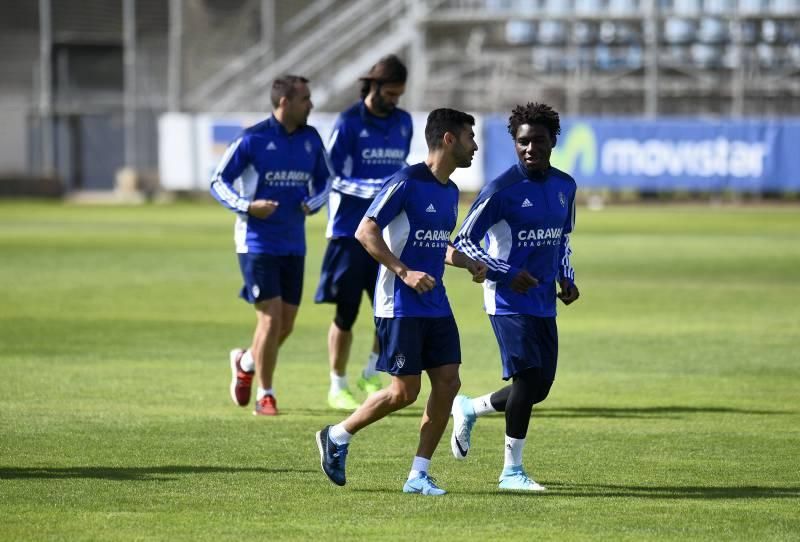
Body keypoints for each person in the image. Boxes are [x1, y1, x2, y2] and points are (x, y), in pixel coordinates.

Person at [315, 108, 487, 495]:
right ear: (448, 139)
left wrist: (465, 261)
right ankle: (337, 435)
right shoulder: (406, 181)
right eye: (469, 138)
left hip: (435, 302)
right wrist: (403, 271)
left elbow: (435, 245)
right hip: (399, 303)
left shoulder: (449, 191)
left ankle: (418, 475)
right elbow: (365, 231)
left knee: (448, 381)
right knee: (403, 392)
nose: (474, 147)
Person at [450, 102, 580, 491]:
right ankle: (511, 472)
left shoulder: (565, 186)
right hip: (506, 301)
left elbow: (562, 240)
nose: (530, 148)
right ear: (514, 143)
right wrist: (506, 273)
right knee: (525, 380)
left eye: (538, 141)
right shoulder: (500, 190)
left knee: (539, 388)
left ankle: (471, 407)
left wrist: (565, 277)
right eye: (523, 142)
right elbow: (463, 242)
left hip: (542, 300)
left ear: (553, 141)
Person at [210, 75, 332, 416]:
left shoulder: (311, 139)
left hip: (294, 242)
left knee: (287, 324)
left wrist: (313, 202)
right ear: (284, 103)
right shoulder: (253, 139)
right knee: (269, 320)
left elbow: (325, 181)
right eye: (305, 98)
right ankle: (266, 394)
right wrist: (248, 207)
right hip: (256, 241)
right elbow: (217, 181)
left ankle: (246, 360)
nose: (311, 104)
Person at [315, 55, 413, 411]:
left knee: (388, 310)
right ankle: (337, 385)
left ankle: (371, 372)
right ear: (373, 85)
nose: (395, 100)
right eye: (390, 92)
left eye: (399, 94)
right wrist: (375, 189)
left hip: (388, 234)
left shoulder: (403, 122)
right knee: (346, 312)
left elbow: (400, 165)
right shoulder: (348, 122)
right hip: (348, 232)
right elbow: (331, 177)